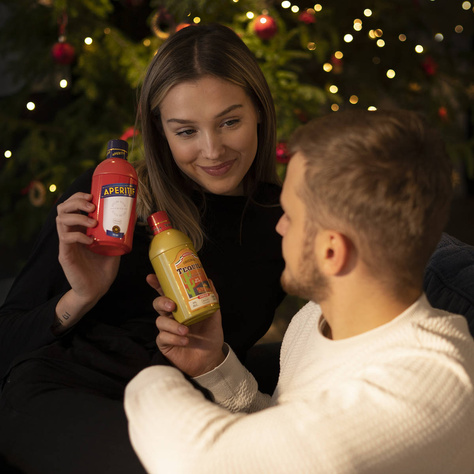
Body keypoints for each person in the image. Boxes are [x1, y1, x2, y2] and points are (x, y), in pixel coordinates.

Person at [0, 24, 285, 473]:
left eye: (230, 121)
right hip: (65, 390)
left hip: (184, 404)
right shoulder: (111, 198)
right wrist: (81, 296)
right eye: (186, 131)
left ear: (259, 114)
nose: (212, 150)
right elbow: (7, 340)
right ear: (160, 131)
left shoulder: (286, 221)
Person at [125, 109, 474, 473]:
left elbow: (197, 461)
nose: (278, 227)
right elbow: (287, 435)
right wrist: (212, 366)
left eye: (290, 214)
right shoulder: (315, 318)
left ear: (331, 252)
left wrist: (146, 376)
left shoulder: (420, 393)